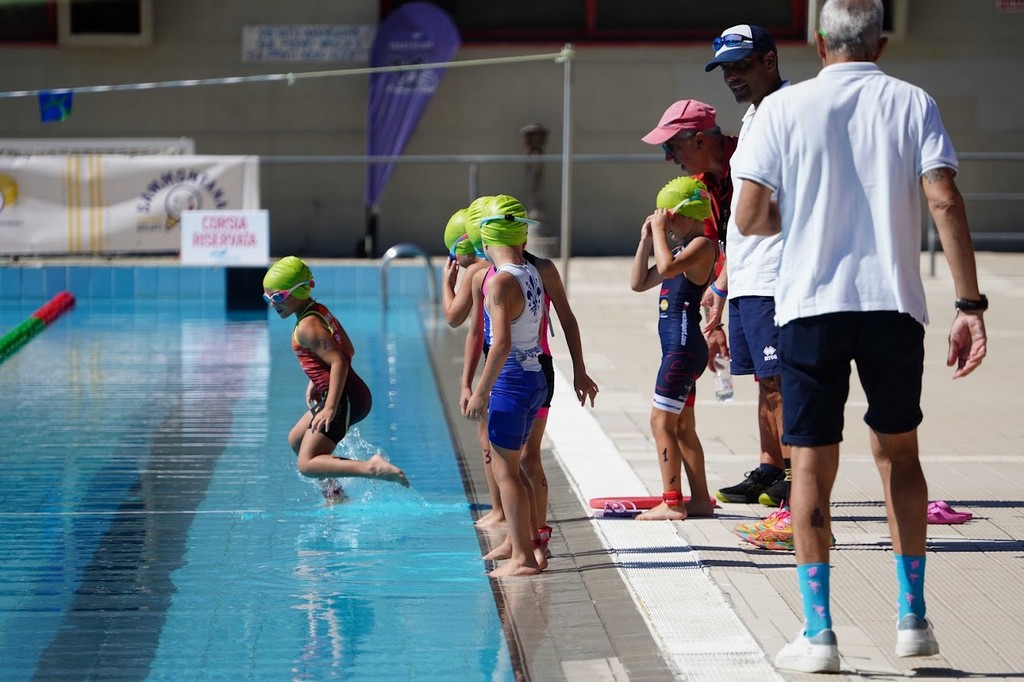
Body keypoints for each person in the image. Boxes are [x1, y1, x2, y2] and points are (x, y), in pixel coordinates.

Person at [731, 0, 988, 672]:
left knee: (812, 465)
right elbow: (944, 200)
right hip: (893, 306)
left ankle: (819, 635)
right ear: (879, 45)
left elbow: (751, 217)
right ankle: (912, 619)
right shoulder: (913, 102)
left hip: (811, 306)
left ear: (819, 44)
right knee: (899, 455)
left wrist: (809, 208)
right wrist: (969, 304)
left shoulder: (780, 111)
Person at [701, 24, 793, 511]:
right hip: (749, 273)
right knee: (762, 377)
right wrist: (723, 280)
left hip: (777, 273)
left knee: (780, 380)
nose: (733, 77)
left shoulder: (788, 109)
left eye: (742, 66)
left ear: (770, 62)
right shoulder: (760, 111)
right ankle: (770, 465)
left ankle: (797, 476)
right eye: (726, 70)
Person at [263, 256, 410, 501]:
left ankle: (371, 468)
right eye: (267, 298)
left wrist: (330, 407)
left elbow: (339, 361)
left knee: (307, 464)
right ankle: (335, 494)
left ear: (299, 290)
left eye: (278, 297)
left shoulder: (308, 326)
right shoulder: (317, 311)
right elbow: (347, 350)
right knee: (296, 440)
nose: (273, 304)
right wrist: (316, 381)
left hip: (343, 398)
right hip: (341, 392)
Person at [463, 194, 549, 578]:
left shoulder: (498, 283)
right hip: (534, 379)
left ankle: (524, 559)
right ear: (521, 240)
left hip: (511, 383)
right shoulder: (531, 273)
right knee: (516, 470)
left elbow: (499, 343)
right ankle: (524, 545)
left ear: (483, 243)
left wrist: (481, 390)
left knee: (506, 473)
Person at [629, 176, 717, 521]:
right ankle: (699, 500)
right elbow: (639, 282)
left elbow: (664, 269)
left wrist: (661, 233)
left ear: (690, 215)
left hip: (682, 350)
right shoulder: (679, 250)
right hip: (678, 349)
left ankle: (673, 501)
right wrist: (646, 241)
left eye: (671, 218)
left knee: (659, 421)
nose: (667, 223)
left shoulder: (702, 247)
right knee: (681, 426)